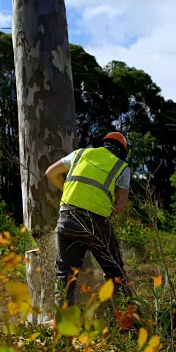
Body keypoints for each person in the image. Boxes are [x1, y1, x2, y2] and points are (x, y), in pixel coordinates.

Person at [45, 132, 133, 308]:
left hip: (67, 218)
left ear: (103, 144)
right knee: (115, 272)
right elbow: (121, 205)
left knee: (64, 275)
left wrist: (67, 192)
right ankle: (127, 321)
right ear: (122, 152)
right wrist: (107, 210)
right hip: (97, 224)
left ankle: (63, 326)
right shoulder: (122, 167)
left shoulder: (80, 153)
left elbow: (50, 173)